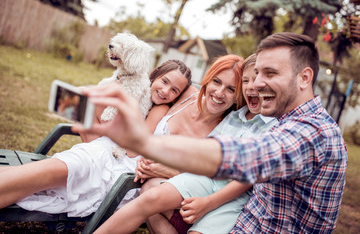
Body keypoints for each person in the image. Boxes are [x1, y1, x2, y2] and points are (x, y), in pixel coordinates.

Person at [75, 32, 348, 233]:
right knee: (150, 198)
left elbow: (246, 158)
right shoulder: (279, 117)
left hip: (244, 217)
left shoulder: (314, 132)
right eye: (255, 76)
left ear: (304, 78)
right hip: (246, 219)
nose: (257, 84)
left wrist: (145, 143)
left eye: (271, 74)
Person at [93, 54, 278, 234]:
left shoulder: (271, 125)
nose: (252, 88)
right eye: (246, 82)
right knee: (150, 194)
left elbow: (245, 178)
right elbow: (205, 156)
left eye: (231, 89)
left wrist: (208, 202)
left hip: (231, 194)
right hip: (205, 179)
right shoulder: (234, 116)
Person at [0, 59, 192, 218]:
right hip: (100, 150)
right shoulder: (138, 95)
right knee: (31, 181)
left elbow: (133, 148)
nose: (166, 91)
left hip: (114, 163)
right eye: (165, 82)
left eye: (175, 90)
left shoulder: (161, 109)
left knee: (35, 178)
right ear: (156, 74)